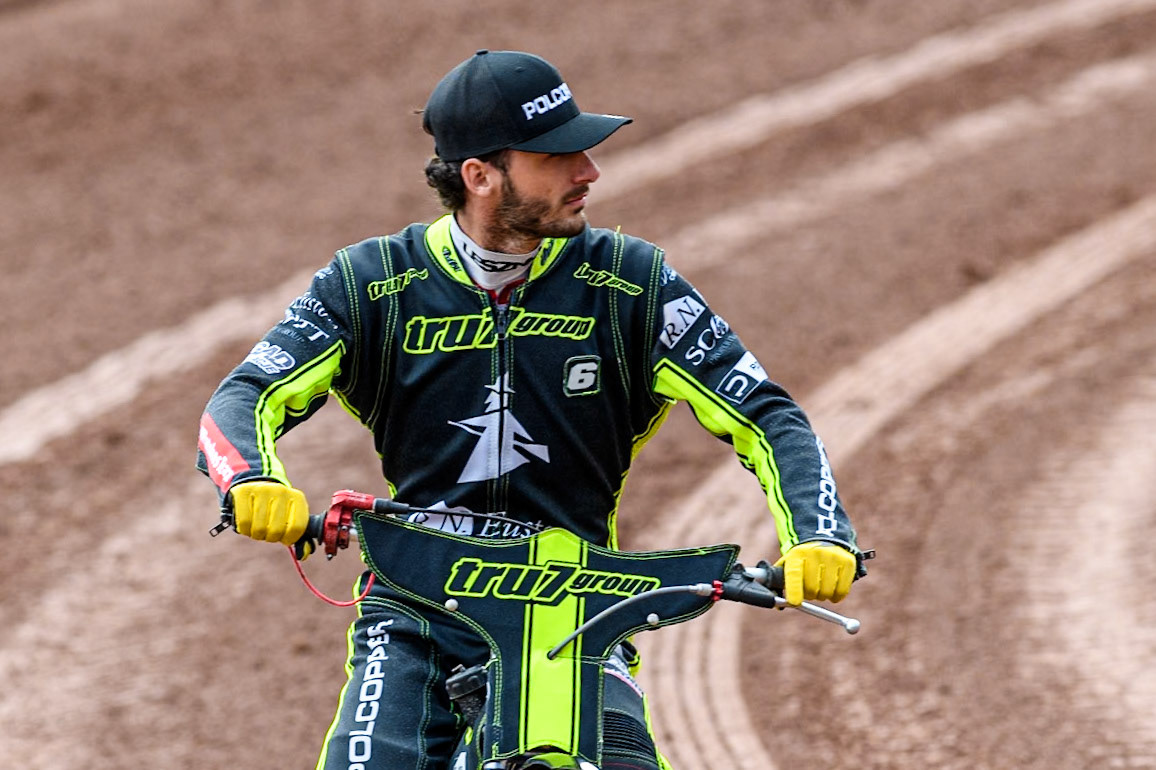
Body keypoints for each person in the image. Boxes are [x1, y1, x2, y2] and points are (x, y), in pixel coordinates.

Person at [197, 49, 864, 770]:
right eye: (557, 155)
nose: (589, 172)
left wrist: (819, 532)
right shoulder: (370, 284)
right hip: (417, 610)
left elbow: (765, 412)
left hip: (577, 609)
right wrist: (251, 481)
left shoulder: (631, 284)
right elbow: (244, 396)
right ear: (480, 176)